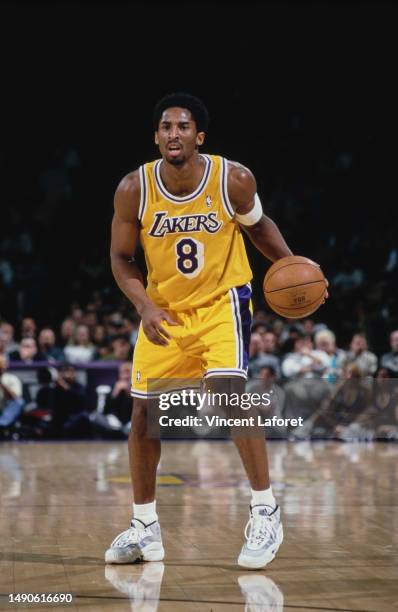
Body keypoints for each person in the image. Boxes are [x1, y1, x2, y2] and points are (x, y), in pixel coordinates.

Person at [106, 92, 326, 569]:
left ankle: (266, 510)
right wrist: (143, 305)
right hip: (163, 311)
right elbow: (121, 259)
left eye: (182, 127)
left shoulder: (233, 179)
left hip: (221, 302)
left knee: (229, 394)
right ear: (156, 136)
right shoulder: (134, 188)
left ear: (199, 137)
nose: (173, 134)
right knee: (143, 418)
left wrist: (296, 268)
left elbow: (258, 225)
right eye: (165, 127)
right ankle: (145, 527)